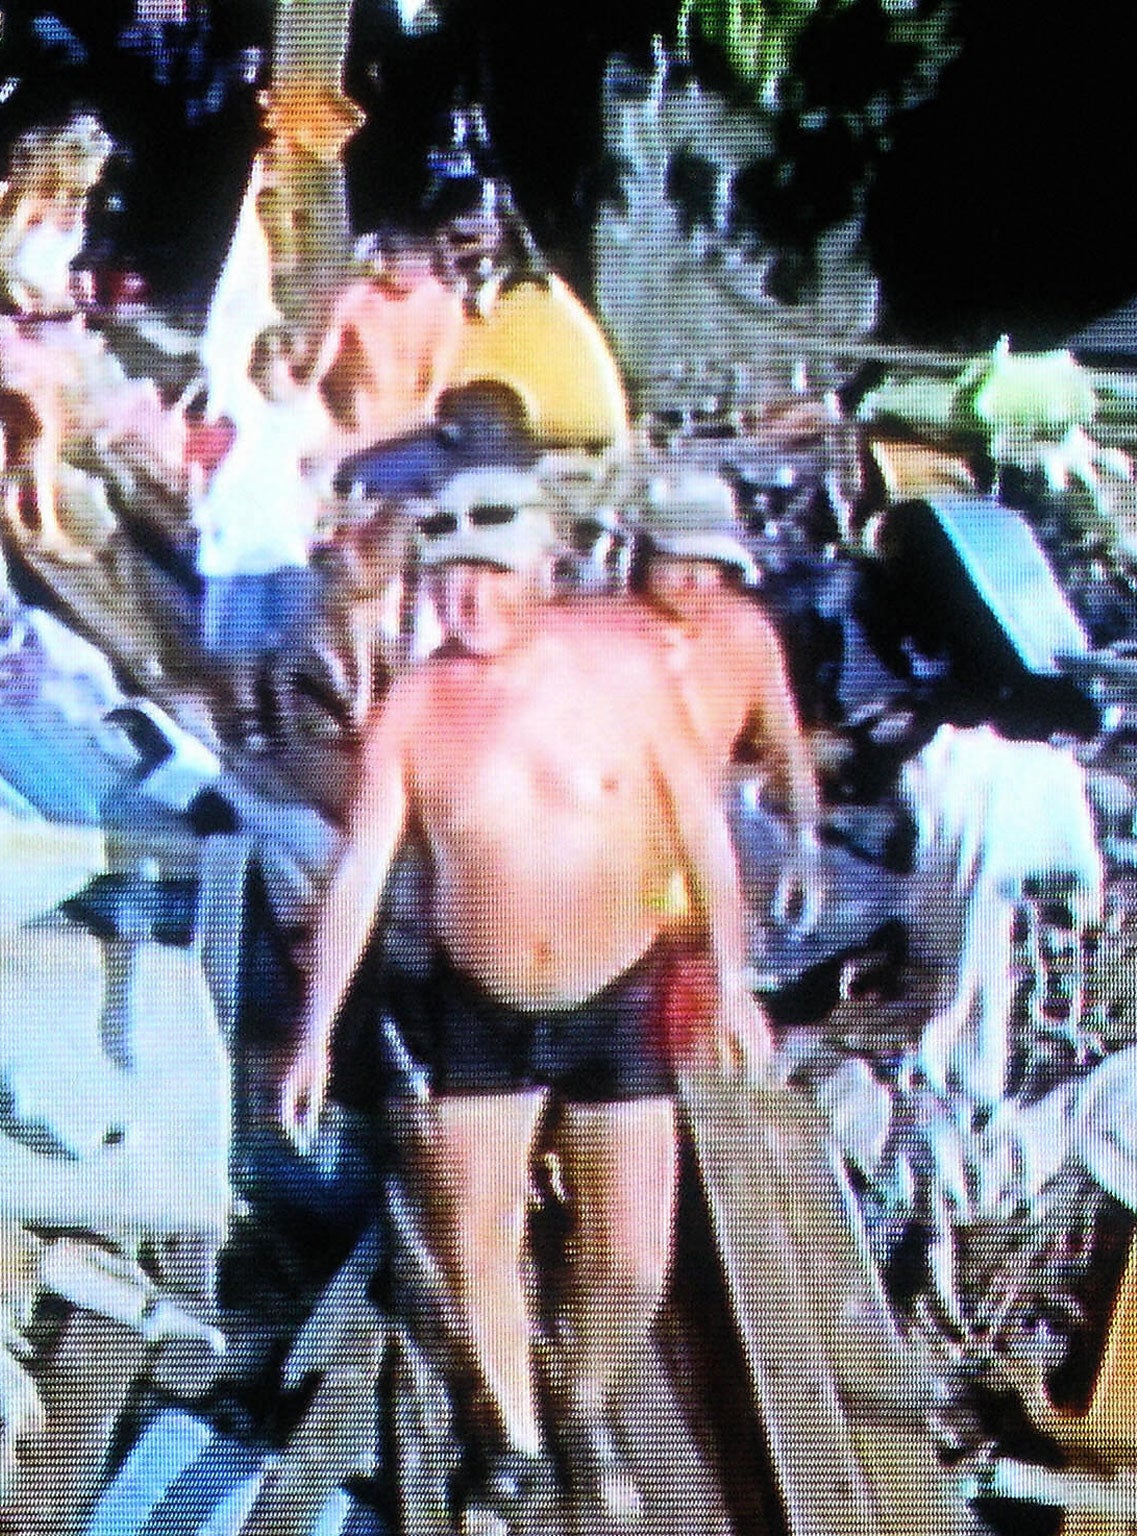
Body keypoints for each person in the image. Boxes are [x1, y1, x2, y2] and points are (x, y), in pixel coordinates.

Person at [279, 468, 768, 1521]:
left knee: (633, 1257)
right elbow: (360, 871)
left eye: (491, 573)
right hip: (480, 1007)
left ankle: (583, 1399)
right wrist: (316, 1033)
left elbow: (700, 827)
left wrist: (730, 979)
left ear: (544, 570)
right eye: (447, 576)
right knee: (474, 1238)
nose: (468, 599)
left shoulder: (624, 670)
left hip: (615, 995)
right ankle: (511, 1429)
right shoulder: (414, 706)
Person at [634, 470, 825, 933]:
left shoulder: (745, 632)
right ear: (646, 559)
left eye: (710, 563)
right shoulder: (605, 637)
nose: (696, 579)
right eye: (680, 560)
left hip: (710, 840)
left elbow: (786, 747)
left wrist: (804, 844)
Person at [192, 325, 335, 745]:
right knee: (240, 626)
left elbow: (317, 468)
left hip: (283, 531)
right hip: (238, 528)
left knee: (288, 621)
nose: (271, 373)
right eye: (264, 364)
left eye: (279, 364)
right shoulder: (237, 404)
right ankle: (246, 710)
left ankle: (282, 703)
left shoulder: (308, 413)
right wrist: (202, 507)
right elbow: (203, 458)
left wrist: (317, 508)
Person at [306, 226, 464, 449]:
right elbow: (322, 354)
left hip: (406, 435)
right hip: (347, 425)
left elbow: (435, 393)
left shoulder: (444, 305)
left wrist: (404, 431)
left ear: (428, 257)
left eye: (417, 257)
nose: (408, 267)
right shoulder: (359, 295)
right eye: (396, 257)